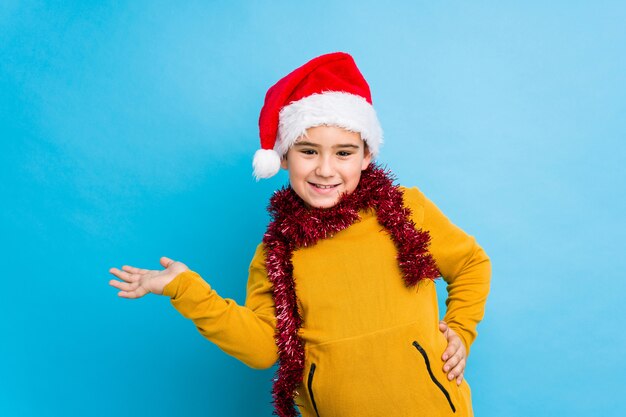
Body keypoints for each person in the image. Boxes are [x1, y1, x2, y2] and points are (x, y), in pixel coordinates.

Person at [109, 52, 491, 417]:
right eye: (309, 151)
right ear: (284, 156)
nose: (325, 170)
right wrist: (186, 289)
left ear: (366, 155)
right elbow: (263, 348)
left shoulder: (405, 209)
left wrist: (459, 331)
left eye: (343, 153)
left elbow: (472, 263)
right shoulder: (277, 253)